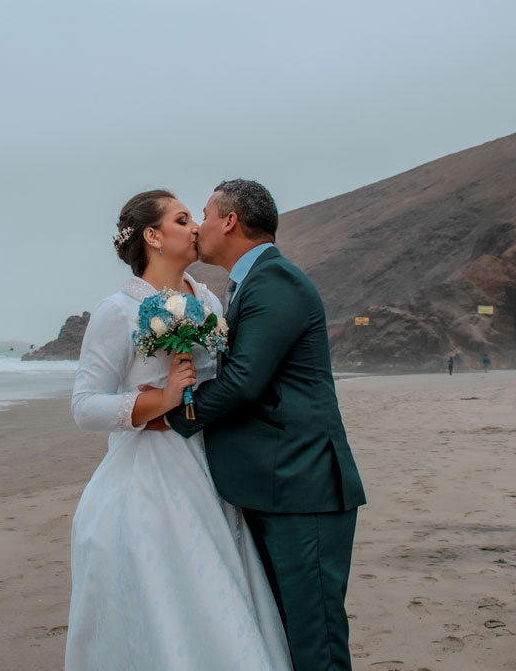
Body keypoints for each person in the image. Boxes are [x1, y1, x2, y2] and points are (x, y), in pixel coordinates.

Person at [65, 190, 291, 670]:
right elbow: (84, 407)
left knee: (223, 596)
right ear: (152, 236)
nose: (196, 229)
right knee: (169, 604)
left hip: (214, 470)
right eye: (183, 219)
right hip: (149, 481)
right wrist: (162, 400)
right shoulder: (117, 311)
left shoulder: (208, 301)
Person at [154, 179, 367, 671]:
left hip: (303, 489)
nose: (199, 227)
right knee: (286, 637)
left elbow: (244, 382)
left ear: (230, 221)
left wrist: (170, 414)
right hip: (276, 485)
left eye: (205, 214)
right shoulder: (250, 283)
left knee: (315, 641)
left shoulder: (276, 282)